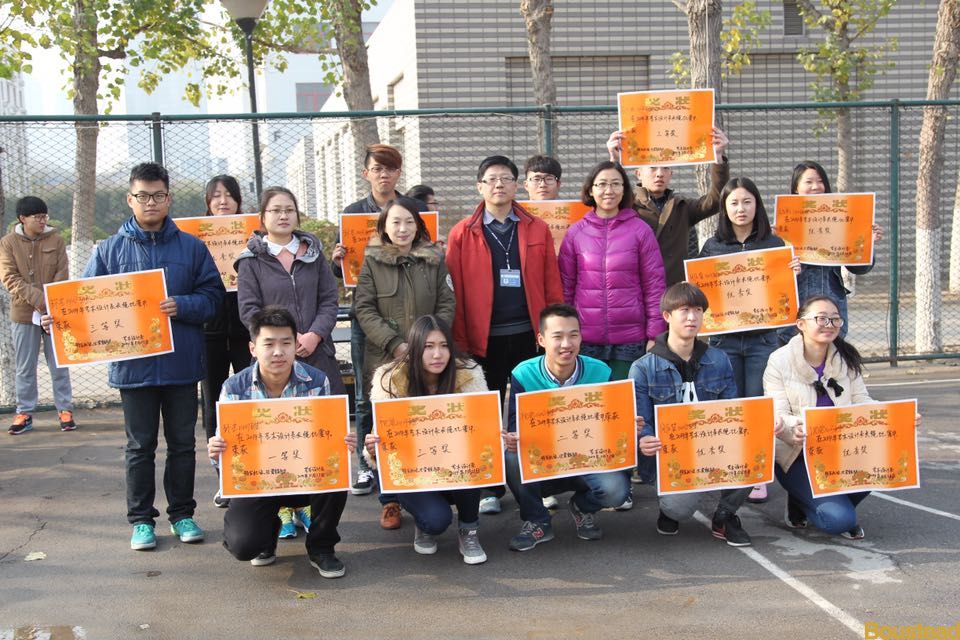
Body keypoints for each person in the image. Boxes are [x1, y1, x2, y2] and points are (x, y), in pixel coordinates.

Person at [78, 162, 224, 550]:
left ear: (169, 198)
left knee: (182, 445)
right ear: (130, 199)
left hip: (180, 365)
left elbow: (213, 299)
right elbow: (86, 306)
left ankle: (182, 514)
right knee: (139, 447)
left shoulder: (192, 248)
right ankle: (141, 521)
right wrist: (57, 322)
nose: (151, 202)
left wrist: (183, 305)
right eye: (142, 196)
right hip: (134, 368)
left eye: (158, 195)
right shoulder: (108, 250)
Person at [445, 155, 564, 514]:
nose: (499, 185)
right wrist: (460, 342)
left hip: (529, 333)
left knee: (535, 410)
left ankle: (542, 482)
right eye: (491, 179)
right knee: (487, 412)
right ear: (479, 186)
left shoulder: (536, 228)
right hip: (484, 338)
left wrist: (553, 330)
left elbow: (551, 282)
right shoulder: (462, 233)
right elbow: (454, 293)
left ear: (516, 185)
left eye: (506, 178)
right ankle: (490, 488)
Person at [763, 295, 920, 540]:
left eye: (835, 319)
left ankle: (815, 500)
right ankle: (802, 499)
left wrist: (897, 417)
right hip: (797, 454)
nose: (829, 324)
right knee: (839, 520)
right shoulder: (779, 361)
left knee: (885, 465)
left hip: (842, 453)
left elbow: (862, 401)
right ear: (801, 324)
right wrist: (794, 429)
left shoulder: (846, 358)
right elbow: (778, 414)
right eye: (821, 318)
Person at [207, 306, 348, 577]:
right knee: (243, 545)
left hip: (306, 474)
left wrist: (340, 443)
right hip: (259, 481)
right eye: (269, 344)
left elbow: (325, 437)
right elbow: (229, 458)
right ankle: (266, 535)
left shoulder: (316, 381)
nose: (278, 352)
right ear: (252, 348)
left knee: (336, 469)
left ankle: (322, 547)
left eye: (286, 343)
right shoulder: (234, 388)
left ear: (296, 345)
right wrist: (218, 454)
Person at [697, 176, 801, 503]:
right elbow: (703, 293)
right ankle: (731, 467)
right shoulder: (712, 247)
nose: (740, 209)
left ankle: (757, 473)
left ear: (757, 205)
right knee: (730, 406)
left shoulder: (775, 244)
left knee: (758, 406)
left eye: (747, 202)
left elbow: (786, 297)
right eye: (733, 203)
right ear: (724, 209)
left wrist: (792, 275)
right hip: (724, 342)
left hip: (762, 342)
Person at [355, 196, 456, 529]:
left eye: (409, 222)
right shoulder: (372, 262)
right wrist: (396, 344)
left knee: (423, 424)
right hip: (388, 358)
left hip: (430, 359)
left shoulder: (434, 260)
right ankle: (390, 499)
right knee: (387, 429)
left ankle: (426, 484)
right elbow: (364, 309)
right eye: (395, 222)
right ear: (384, 227)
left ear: (419, 226)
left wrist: (428, 344)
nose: (402, 228)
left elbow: (447, 303)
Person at [630, 282, 753, 547]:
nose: (692, 317)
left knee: (757, 452)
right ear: (667, 316)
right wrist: (645, 438)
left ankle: (725, 515)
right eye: (684, 310)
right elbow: (641, 420)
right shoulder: (643, 367)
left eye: (698, 310)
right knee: (679, 509)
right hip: (670, 456)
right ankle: (668, 509)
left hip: (712, 447)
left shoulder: (719, 359)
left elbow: (731, 410)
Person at [501, 304, 631, 551]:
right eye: (557, 336)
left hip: (588, 460)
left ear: (581, 337)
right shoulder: (523, 374)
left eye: (573, 335)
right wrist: (514, 438)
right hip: (544, 462)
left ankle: (582, 507)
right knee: (511, 456)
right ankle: (537, 520)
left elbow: (611, 422)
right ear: (541, 340)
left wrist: (627, 425)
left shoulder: (600, 372)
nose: (566, 344)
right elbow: (517, 425)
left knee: (616, 491)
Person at [362, 315, 488, 564]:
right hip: (413, 472)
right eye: (429, 347)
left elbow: (480, 432)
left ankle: (469, 530)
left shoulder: (469, 375)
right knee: (435, 521)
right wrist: (374, 448)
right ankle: (422, 521)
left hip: (455, 466)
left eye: (444, 346)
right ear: (415, 349)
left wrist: (494, 437)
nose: (437, 354)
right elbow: (383, 441)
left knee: (473, 458)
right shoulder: (390, 379)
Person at [332, 144, 409, 499]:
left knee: (409, 390)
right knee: (365, 395)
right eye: (377, 168)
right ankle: (366, 465)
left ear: (398, 173)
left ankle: (407, 459)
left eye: (390, 168)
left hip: (408, 311)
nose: (384, 174)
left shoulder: (413, 209)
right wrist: (338, 262)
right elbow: (345, 273)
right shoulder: (352, 214)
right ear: (366, 174)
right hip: (366, 312)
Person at [235, 186, 345, 401]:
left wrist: (315, 335)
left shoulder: (313, 253)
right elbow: (249, 310)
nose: (283, 216)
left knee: (324, 416)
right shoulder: (250, 260)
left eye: (289, 210)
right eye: (276, 210)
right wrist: (288, 339)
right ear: (262, 217)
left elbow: (329, 300)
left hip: (317, 352)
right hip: (274, 357)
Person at [606, 127, 730, 286]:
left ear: (671, 174)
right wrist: (614, 160)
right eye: (652, 167)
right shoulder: (626, 205)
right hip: (637, 289)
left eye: (666, 168)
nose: (659, 173)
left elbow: (716, 199)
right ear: (638, 173)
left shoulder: (682, 206)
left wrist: (718, 157)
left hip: (674, 291)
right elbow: (608, 197)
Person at [0, 196, 75, 435]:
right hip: (23, 314)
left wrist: (50, 302)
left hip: (55, 313)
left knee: (59, 364)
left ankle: (65, 409)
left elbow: (62, 273)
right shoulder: (8, 243)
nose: (43, 221)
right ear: (23, 218)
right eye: (38, 217)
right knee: (25, 366)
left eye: (45, 216)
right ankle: (24, 412)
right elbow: (9, 277)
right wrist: (39, 301)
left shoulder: (57, 240)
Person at [784, 161, 884, 340]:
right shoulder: (783, 224)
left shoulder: (842, 219)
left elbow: (859, 268)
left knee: (830, 354)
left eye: (820, 181)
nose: (815, 186)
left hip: (832, 303)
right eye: (808, 182)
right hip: (795, 308)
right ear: (796, 188)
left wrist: (866, 243)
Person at [199, 176, 251, 508]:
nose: (223, 201)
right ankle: (223, 477)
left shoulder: (252, 233)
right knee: (213, 402)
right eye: (216, 196)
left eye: (229, 195)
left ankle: (251, 470)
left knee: (249, 398)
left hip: (246, 329)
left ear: (238, 201)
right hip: (209, 330)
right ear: (207, 202)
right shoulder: (196, 237)